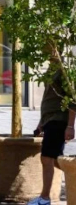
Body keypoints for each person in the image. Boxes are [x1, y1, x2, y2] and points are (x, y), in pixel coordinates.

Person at [27, 61, 76, 205]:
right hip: (50, 120)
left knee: (47, 158)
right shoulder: (51, 70)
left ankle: (44, 198)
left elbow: (72, 99)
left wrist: (70, 126)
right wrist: (41, 123)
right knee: (54, 159)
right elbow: (49, 99)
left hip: (58, 120)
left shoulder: (63, 70)